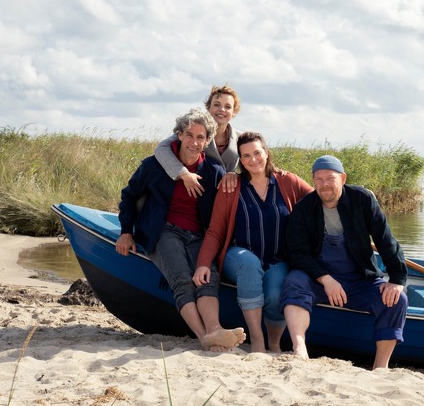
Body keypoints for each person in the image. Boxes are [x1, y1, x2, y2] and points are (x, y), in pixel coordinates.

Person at [115, 108, 246, 352]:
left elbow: (223, 214)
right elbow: (129, 196)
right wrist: (126, 231)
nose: (194, 143)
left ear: (207, 141)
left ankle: (215, 330)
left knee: (208, 278)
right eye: (189, 135)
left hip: (198, 235)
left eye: (200, 137)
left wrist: (232, 177)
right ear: (179, 135)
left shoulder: (213, 172)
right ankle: (204, 336)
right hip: (163, 232)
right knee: (182, 280)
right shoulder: (154, 166)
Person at [280, 155, 408, 369]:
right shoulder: (303, 209)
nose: (324, 184)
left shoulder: (363, 200)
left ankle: (380, 367)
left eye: (330, 178)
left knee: (398, 300)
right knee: (294, 281)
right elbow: (298, 253)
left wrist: (397, 278)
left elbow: (385, 239)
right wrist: (325, 279)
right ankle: (300, 349)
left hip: (360, 280)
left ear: (343, 178)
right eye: (318, 179)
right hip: (320, 280)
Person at [192, 132, 313, 353]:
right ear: (240, 159)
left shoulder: (288, 181)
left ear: (266, 153)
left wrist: (358, 196)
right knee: (249, 265)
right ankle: (257, 340)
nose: (253, 159)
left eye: (257, 153)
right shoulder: (232, 186)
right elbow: (215, 231)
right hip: (238, 254)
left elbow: (321, 200)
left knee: (276, 293)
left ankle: (274, 343)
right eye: (246, 156)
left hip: (277, 258)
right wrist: (202, 263)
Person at [155, 84, 241, 197]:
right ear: (208, 107)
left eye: (228, 107)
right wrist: (183, 173)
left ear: (234, 111)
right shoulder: (195, 131)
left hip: (226, 195)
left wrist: (234, 174)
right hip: (196, 192)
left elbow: (253, 166)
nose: (221, 110)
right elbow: (161, 149)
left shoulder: (241, 138)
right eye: (216, 104)